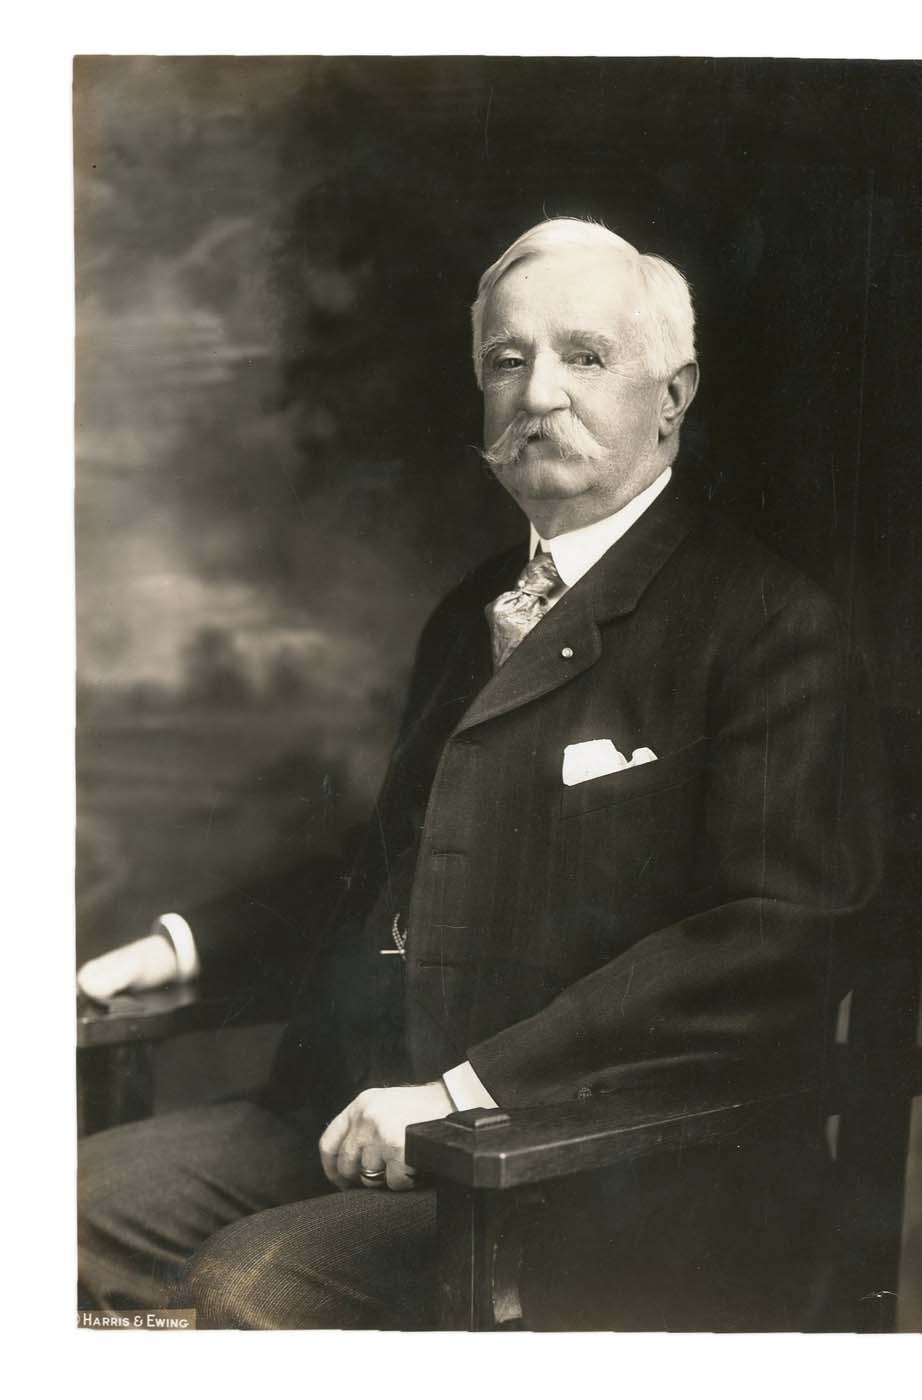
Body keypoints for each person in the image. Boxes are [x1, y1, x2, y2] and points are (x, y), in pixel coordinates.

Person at [77, 217, 881, 1330]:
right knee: (57, 1211)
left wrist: (468, 1094)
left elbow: (773, 940)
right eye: (507, 360)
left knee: (248, 1286)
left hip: (588, 1167)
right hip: (358, 1111)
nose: (538, 391)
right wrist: (177, 941)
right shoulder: (474, 611)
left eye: (584, 356)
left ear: (674, 393)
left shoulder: (767, 629)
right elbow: (389, 862)